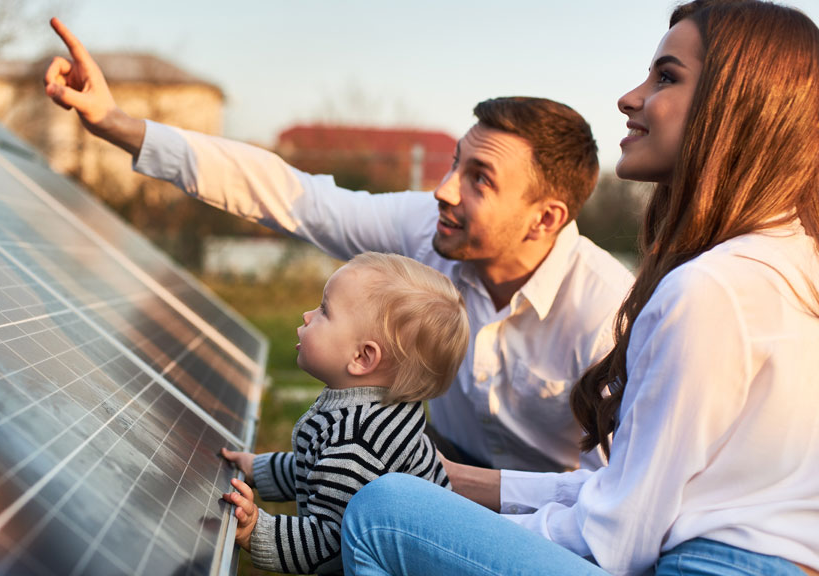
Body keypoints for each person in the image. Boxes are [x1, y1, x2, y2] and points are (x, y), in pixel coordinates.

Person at [339, 1, 819, 575]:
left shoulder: (710, 288)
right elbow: (627, 492)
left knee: (382, 515)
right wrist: (453, 483)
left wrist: (449, 521)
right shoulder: (791, 259)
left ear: (736, 109)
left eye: (666, 77)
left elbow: (618, 539)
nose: (630, 97)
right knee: (407, 498)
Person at [43, 19, 634, 474]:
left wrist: (444, 488)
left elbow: (611, 500)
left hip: (550, 518)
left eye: (480, 178)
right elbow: (292, 196)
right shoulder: (430, 228)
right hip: (441, 461)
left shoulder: (608, 314)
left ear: (544, 218)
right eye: (456, 162)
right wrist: (118, 124)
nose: (444, 188)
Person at [217, 251, 468, 574]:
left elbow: (330, 544)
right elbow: (319, 469)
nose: (307, 315)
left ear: (362, 358)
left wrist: (256, 531)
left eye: (323, 310)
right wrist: (258, 469)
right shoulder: (370, 411)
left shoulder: (358, 443)